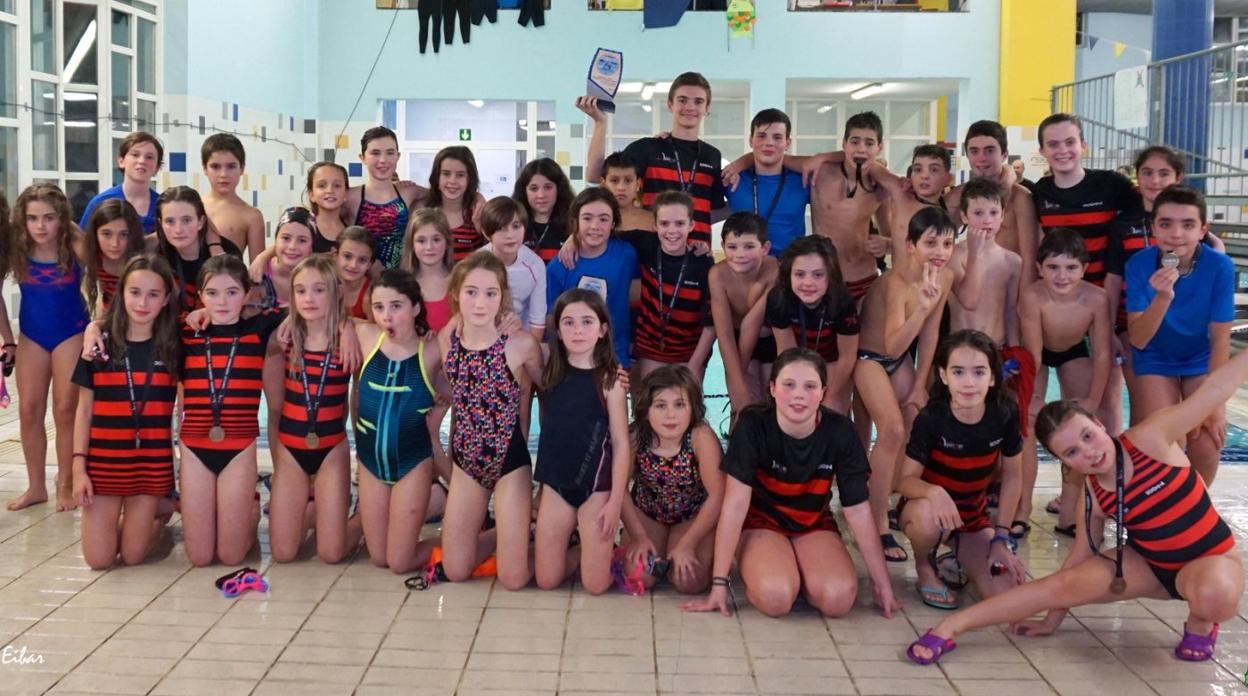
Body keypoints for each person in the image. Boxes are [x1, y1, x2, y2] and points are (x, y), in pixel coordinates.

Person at [905, 343, 1248, 666]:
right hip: (1149, 566)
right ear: (1064, 462)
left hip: (1211, 558)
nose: (1090, 453)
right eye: (1072, 452)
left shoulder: (1150, 438)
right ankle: (950, 628)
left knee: (1212, 594)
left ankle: (1202, 623)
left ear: (1099, 424)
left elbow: (1214, 390)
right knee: (1058, 585)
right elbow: (1077, 562)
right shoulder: (1093, 493)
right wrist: (1051, 621)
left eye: (1088, 436)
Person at [683, 348, 899, 618]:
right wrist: (719, 584)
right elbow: (735, 505)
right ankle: (780, 569)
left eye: (810, 386)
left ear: (823, 392)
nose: (799, 395)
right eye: (789, 385)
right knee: (776, 598)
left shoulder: (840, 431)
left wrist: (882, 584)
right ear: (772, 388)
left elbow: (858, 510)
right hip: (760, 523)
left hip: (812, 523)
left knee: (838, 600)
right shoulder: (752, 425)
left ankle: (801, 573)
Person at [852, 207, 957, 562]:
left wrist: (919, 385)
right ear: (910, 245)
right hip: (868, 358)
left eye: (947, 244)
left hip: (898, 363)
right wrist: (922, 307)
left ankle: (891, 497)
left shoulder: (945, 276)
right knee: (892, 431)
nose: (940, 252)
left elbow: (930, 334)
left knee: (915, 425)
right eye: (931, 243)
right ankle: (877, 522)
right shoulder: (897, 281)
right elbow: (894, 344)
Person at [896, 331, 1026, 610]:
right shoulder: (931, 419)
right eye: (958, 372)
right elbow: (904, 482)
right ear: (943, 376)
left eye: (979, 372)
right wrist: (934, 493)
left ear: (993, 377)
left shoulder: (1004, 413)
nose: (969, 382)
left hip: (971, 516)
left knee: (1007, 593)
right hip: (927, 511)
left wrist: (1001, 537)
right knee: (927, 518)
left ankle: (957, 558)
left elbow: (1014, 476)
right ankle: (925, 568)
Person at [1032, 113, 1142, 437]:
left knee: (1106, 401)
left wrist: (1207, 239)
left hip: (1103, 306)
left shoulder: (1112, 185)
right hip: (1059, 307)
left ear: (1084, 145)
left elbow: (1155, 209)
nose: (1062, 150)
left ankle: (1110, 464)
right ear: (1042, 151)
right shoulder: (1040, 193)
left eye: (1070, 142)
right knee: (1072, 407)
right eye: (1053, 144)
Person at [438, 252, 544, 590]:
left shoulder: (520, 344)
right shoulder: (447, 339)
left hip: (509, 462)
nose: (480, 302)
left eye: (490, 293)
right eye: (471, 292)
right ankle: (509, 534)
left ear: (503, 297)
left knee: (513, 578)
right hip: (466, 462)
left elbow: (552, 389)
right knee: (455, 570)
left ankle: (550, 541)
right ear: (456, 294)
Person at [70, 254, 179, 568]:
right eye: (135, 292)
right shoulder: (99, 345)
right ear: (121, 294)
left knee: (133, 556)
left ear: (166, 299)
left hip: (150, 466)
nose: (143, 303)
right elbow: (84, 410)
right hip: (104, 465)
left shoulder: (174, 347)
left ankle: (159, 515)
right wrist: (79, 468)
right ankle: (148, 514)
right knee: (99, 560)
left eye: (153, 294)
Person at [176, 255, 284, 566]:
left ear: (247, 294)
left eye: (232, 292)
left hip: (239, 449)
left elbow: (312, 307)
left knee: (231, 556)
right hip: (195, 447)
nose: (222, 302)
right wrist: (92, 330)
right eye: (212, 293)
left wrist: (266, 255)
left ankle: (250, 509)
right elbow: (126, 319)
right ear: (200, 295)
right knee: (199, 557)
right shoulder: (185, 332)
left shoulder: (259, 328)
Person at [1108, 146, 1225, 424]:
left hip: (1188, 331)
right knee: (1149, 417)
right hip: (1136, 327)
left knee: (1199, 422)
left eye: (1164, 173)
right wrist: (1109, 330)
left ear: (1178, 177)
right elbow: (1113, 281)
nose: (1155, 180)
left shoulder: (1196, 230)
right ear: (1137, 176)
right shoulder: (1123, 225)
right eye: (1147, 173)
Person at [1125, 186, 1233, 486]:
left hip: (1199, 357)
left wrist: (1216, 406)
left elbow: (1221, 340)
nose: (1176, 234)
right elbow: (1139, 340)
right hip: (1155, 357)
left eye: (1187, 225)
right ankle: (1164, 503)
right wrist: (1162, 297)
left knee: (1208, 440)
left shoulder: (1219, 266)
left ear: (1203, 230)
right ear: (1153, 228)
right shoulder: (1139, 265)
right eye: (1166, 223)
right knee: (1164, 440)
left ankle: (1197, 505)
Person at [533, 289, 630, 595]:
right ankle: (581, 551)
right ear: (558, 331)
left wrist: (615, 503)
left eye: (587, 322)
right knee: (546, 581)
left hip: (596, 489)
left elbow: (621, 444)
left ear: (602, 330)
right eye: (569, 323)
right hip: (556, 486)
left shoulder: (611, 380)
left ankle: (607, 553)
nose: (578, 330)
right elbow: (517, 343)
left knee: (596, 585)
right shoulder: (547, 366)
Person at [354, 269, 448, 574]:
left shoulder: (432, 350)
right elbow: (326, 316)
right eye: (379, 307)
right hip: (370, 463)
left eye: (396, 306)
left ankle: (472, 537)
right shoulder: (366, 336)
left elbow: (467, 322)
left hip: (413, 463)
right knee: (379, 557)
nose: (386, 316)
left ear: (416, 307)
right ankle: (435, 501)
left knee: (399, 562)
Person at [1019, 230, 1111, 536]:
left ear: (1084, 269)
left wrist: (1093, 400)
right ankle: (1022, 509)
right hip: (1037, 354)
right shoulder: (1033, 296)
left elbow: (1102, 354)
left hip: (1074, 351)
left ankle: (1069, 513)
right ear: (1039, 267)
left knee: (1080, 426)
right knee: (1027, 425)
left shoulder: (1096, 298)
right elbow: (1033, 354)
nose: (1062, 276)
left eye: (1071, 267)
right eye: (1053, 267)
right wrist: (1031, 397)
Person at [269, 256, 360, 564]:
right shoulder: (283, 338)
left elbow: (388, 329)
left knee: (332, 554)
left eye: (319, 290)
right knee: (283, 554)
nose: (309, 298)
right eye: (301, 290)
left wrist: (347, 324)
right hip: (290, 450)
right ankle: (311, 513)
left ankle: (364, 517)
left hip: (331, 450)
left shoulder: (350, 339)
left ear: (336, 292)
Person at [8, 184, 90, 511]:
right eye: (33, 218)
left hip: (71, 332)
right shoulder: (17, 246)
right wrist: (7, 339)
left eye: (49, 217)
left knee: (66, 410)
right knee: (29, 410)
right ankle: (36, 486)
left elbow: (106, 273)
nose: (40, 226)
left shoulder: (74, 243)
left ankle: (65, 483)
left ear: (62, 218)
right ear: (22, 220)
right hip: (32, 336)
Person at [579, 72, 728, 248]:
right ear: (670, 104)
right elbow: (595, 175)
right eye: (682, 100)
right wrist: (600, 123)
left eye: (698, 101)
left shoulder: (712, 155)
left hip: (698, 252)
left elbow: (711, 210)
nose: (690, 107)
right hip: (653, 251)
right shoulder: (648, 148)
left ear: (707, 108)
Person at [622, 365, 723, 593]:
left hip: (691, 516)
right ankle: (660, 550)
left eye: (679, 405)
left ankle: (680, 550)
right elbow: (619, 490)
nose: (670, 415)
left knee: (689, 580)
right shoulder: (635, 437)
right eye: (660, 405)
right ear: (646, 410)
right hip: (647, 513)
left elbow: (718, 495)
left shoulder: (700, 438)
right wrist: (638, 535)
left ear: (693, 408)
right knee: (639, 576)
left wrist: (688, 543)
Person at [757, 236, 858, 414]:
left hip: (833, 361)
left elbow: (847, 357)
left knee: (831, 411)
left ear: (831, 275)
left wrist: (830, 396)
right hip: (799, 359)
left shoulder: (842, 301)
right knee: (788, 408)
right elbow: (787, 353)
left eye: (818, 275)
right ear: (788, 275)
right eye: (800, 274)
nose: (808, 283)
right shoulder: (779, 299)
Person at [546, 188, 640, 368]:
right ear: (576, 221)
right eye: (587, 218)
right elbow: (552, 317)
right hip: (573, 357)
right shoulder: (560, 265)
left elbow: (634, 294)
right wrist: (557, 358)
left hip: (615, 354)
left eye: (603, 219)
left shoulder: (626, 254)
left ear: (613, 223)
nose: (595, 226)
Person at [944, 120, 1040, 296]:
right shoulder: (956, 196)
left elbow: (1030, 259)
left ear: (1004, 154)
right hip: (970, 290)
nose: (982, 158)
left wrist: (1025, 304)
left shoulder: (1021, 198)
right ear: (967, 155)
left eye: (990, 150)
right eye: (974, 151)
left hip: (1009, 292)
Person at [628, 192, 714, 380]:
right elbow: (603, 234)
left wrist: (694, 365)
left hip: (689, 353)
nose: (672, 231)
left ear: (691, 225)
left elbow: (712, 322)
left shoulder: (703, 263)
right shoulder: (645, 244)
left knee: (686, 397)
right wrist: (572, 239)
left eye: (680, 223)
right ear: (655, 225)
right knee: (650, 396)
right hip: (650, 350)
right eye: (664, 223)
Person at [708, 212, 779, 417]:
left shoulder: (774, 269)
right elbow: (724, 334)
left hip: (770, 339)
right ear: (723, 247)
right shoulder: (718, 275)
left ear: (765, 248)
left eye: (749, 247)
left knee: (772, 400)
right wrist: (737, 382)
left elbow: (752, 323)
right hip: (737, 341)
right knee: (743, 405)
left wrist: (739, 381)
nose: (740, 254)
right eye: (732, 247)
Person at [724, 109, 811, 257]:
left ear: (787, 143)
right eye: (761, 136)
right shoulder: (733, 179)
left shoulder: (803, 181)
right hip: (744, 264)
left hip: (789, 267)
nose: (769, 143)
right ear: (751, 140)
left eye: (777, 137)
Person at [345, 126, 428, 270]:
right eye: (375, 153)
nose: (383, 160)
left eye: (390, 153)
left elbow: (442, 194)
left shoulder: (408, 192)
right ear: (362, 158)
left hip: (399, 279)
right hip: (361, 278)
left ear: (398, 156)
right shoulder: (350, 197)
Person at [150, 186, 242, 314]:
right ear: (161, 224)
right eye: (170, 221)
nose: (178, 230)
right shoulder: (159, 258)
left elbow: (237, 303)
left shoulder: (226, 252)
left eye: (186, 220)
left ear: (201, 221)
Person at [481, 196, 546, 341]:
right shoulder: (476, 264)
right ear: (486, 232)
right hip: (482, 333)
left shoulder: (535, 265)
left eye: (516, 226)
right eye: (501, 228)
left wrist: (531, 350)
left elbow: (537, 320)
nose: (510, 235)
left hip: (519, 336)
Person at [78, 132, 162, 234]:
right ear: (121, 161)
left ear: (157, 168)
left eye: (149, 157)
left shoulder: (163, 206)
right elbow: (84, 240)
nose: (142, 161)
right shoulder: (100, 202)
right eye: (135, 155)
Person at [200, 133, 265, 262]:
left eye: (231, 166)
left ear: (242, 168)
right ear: (205, 168)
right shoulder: (193, 208)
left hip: (231, 274)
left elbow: (258, 269)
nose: (223, 174)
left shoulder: (252, 216)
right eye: (215, 167)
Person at [82, 199, 146, 316]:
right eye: (107, 234)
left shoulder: (144, 256)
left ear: (133, 234)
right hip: (111, 320)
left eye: (123, 234)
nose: (115, 244)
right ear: (95, 233)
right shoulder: (93, 255)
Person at [427, 146, 487, 261]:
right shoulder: (424, 211)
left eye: (460, 175)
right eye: (446, 174)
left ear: (469, 179)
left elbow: (492, 255)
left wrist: (482, 229)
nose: (452, 181)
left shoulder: (479, 212)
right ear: (437, 177)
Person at [400, 208, 455, 333]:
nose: (429, 247)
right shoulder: (400, 285)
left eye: (436, 239)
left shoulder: (460, 281)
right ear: (412, 245)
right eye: (421, 241)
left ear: (447, 242)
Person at [250, 207, 315, 311]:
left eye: (302, 240)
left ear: (312, 247)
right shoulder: (259, 274)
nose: (292, 246)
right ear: (276, 240)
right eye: (286, 238)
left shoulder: (319, 279)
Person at [513, 158, 576, 263]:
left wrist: (577, 237)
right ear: (524, 191)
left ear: (559, 189)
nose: (541, 195)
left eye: (548, 187)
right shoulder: (512, 224)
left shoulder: (575, 224)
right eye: (534, 188)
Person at [599, 151, 655, 233]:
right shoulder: (591, 220)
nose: (621, 188)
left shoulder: (653, 221)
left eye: (628, 180)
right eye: (614, 180)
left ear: (638, 184)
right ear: (603, 184)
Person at [306, 162, 351, 252]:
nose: (330, 190)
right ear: (311, 195)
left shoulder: (351, 229)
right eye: (322, 186)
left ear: (346, 193)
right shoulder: (303, 227)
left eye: (337, 185)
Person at [335, 226, 377, 321]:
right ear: (335, 255)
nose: (353, 265)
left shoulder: (369, 298)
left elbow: (378, 330)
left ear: (369, 264)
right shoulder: (323, 285)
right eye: (347, 256)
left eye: (362, 260)